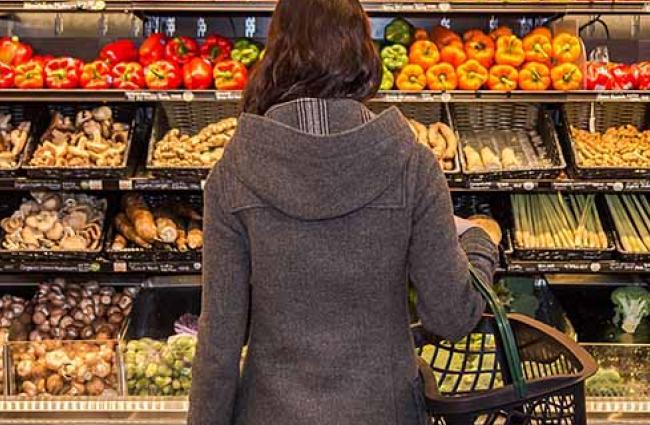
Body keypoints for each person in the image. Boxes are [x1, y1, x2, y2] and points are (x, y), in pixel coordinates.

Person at [188, 0, 499, 424]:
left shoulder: (234, 171)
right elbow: (451, 316)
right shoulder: (412, 164)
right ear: (362, 51)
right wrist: (481, 243)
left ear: (275, 54)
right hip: (382, 411)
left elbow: (218, 344)